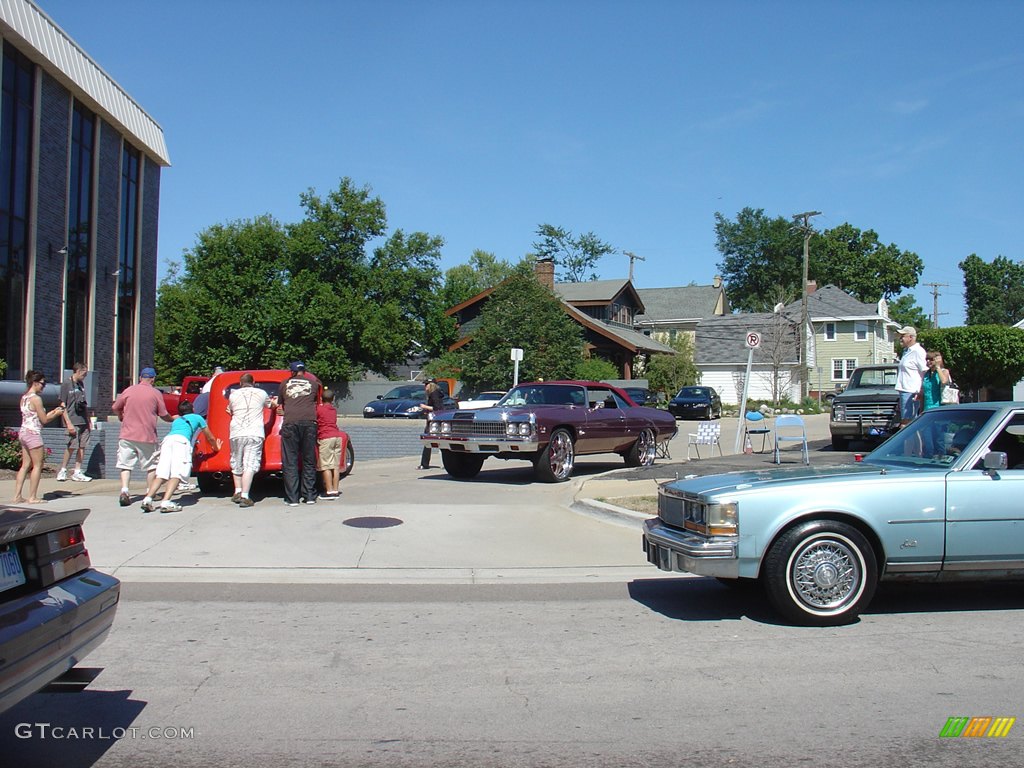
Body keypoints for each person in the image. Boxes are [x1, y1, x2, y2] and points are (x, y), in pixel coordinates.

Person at [141, 400, 221, 513]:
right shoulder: (198, 418)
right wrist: (216, 447)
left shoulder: (177, 420)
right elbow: (210, 437)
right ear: (193, 409)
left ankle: (148, 499)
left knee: (162, 473)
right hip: (182, 442)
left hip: (167, 441)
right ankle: (166, 502)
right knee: (177, 473)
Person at [111, 366, 175, 507]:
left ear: (140, 378)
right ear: (153, 379)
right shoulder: (155, 393)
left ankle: (125, 490)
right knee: (151, 466)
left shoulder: (128, 390)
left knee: (125, 465)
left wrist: (121, 416)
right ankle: (149, 492)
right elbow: (163, 414)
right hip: (147, 436)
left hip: (127, 434)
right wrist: (173, 419)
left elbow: (115, 407)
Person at [13, 371, 65, 504]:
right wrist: (57, 413)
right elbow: (44, 420)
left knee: (25, 465)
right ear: (35, 383)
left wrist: (53, 412)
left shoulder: (24, 397)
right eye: (43, 383)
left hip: (24, 432)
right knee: (38, 465)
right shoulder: (36, 399)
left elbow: (34, 416)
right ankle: (32, 497)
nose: (44, 386)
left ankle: (17, 495)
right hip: (33, 434)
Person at [276, 361, 321, 506]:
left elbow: (281, 404)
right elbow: (314, 401)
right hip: (309, 422)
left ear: (292, 372)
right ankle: (309, 496)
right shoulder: (313, 384)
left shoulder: (284, 384)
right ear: (304, 371)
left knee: (290, 461)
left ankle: (292, 498)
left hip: (290, 423)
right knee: (309, 460)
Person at [227, 372, 269, 507]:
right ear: (254, 382)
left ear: (240, 383)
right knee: (250, 464)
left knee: (236, 461)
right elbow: (270, 405)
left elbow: (230, 410)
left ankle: (237, 491)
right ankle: (245, 495)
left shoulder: (233, 395)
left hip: (236, 431)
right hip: (254, 431)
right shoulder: (262, 393)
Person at [57, 362, 92, 482]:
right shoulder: (66, 384)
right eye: (84, 373)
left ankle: (77, 471)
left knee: (82, 446)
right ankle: (63, 470)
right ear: (78, 371)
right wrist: (68, 423)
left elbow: (84, 403)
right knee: (71, 446)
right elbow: (62, 405)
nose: (85, 376)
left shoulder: (80, 384)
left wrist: (88, 420)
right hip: (72, 420)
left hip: (83, 420)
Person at [894, 326, 927, 427]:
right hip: (904, 390)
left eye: (903, 336)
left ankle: (913, 443)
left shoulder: (918, 351)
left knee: (907, 422)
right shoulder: (906, 351)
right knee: (906, 421)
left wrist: (921, 390)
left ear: (911, 337)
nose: (901, 338)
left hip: (911, 391)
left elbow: (924, 371)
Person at [316, 388, 344, 499]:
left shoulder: (319, 409)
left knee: (326, 465)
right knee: (335, 466)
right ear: (333, 399)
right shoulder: (333, 410)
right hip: (337, 437)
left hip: (326, 437)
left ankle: (329, 491)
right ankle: (336, 490)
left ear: (321, 399)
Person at [417, 380, 445, 470]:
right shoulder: (435, 394)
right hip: (435, 420)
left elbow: (437, 408)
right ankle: (425, 464)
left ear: (431, 385)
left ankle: (424, 464)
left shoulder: (434, 394)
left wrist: (425, 407)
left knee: (428, 441)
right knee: (438, 442)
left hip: (434, 422)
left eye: (426, 384)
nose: (425, 387)